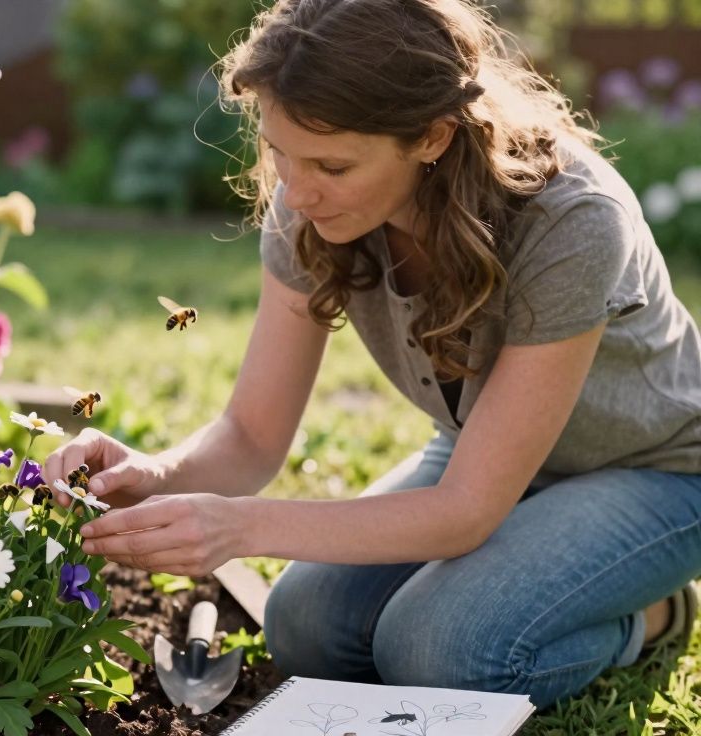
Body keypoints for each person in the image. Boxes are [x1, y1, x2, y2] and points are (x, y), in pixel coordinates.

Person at [43, 0, 701, 710]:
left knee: (441, 650)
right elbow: (252, 437)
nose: (294, 191)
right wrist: (153, 473)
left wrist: (241, 525)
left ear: (432, 136)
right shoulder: (312, 204)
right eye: (279, 153)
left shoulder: (571, 220)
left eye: (331, 164)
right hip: (482, 451)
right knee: (306, 628)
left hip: (653, 470)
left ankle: (656, 617)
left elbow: (468, 510)